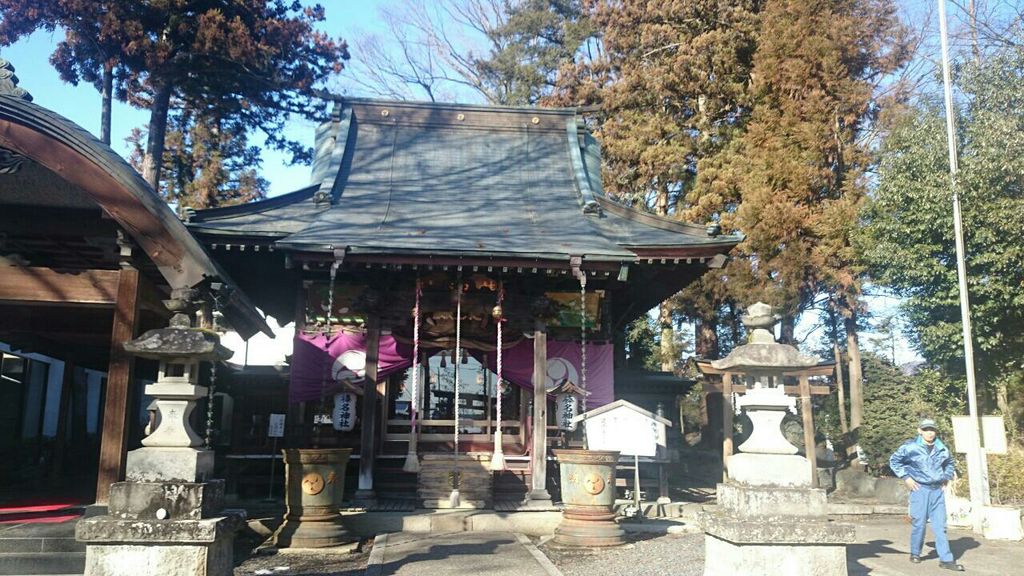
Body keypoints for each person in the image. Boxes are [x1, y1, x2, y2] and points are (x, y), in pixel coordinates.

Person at [889, 418, 965, 571]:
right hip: (920, 489)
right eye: (926, 429)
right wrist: (906, 478)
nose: (930, 432)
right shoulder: (910, 447)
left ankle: (946, 559)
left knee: (940, 526)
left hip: (937, 491)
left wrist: (946, 477)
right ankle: (915, 552)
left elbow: (949, 463)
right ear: (920, 431)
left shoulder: (942, 448)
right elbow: (894, 461)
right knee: (919, 524)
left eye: (932, 429)